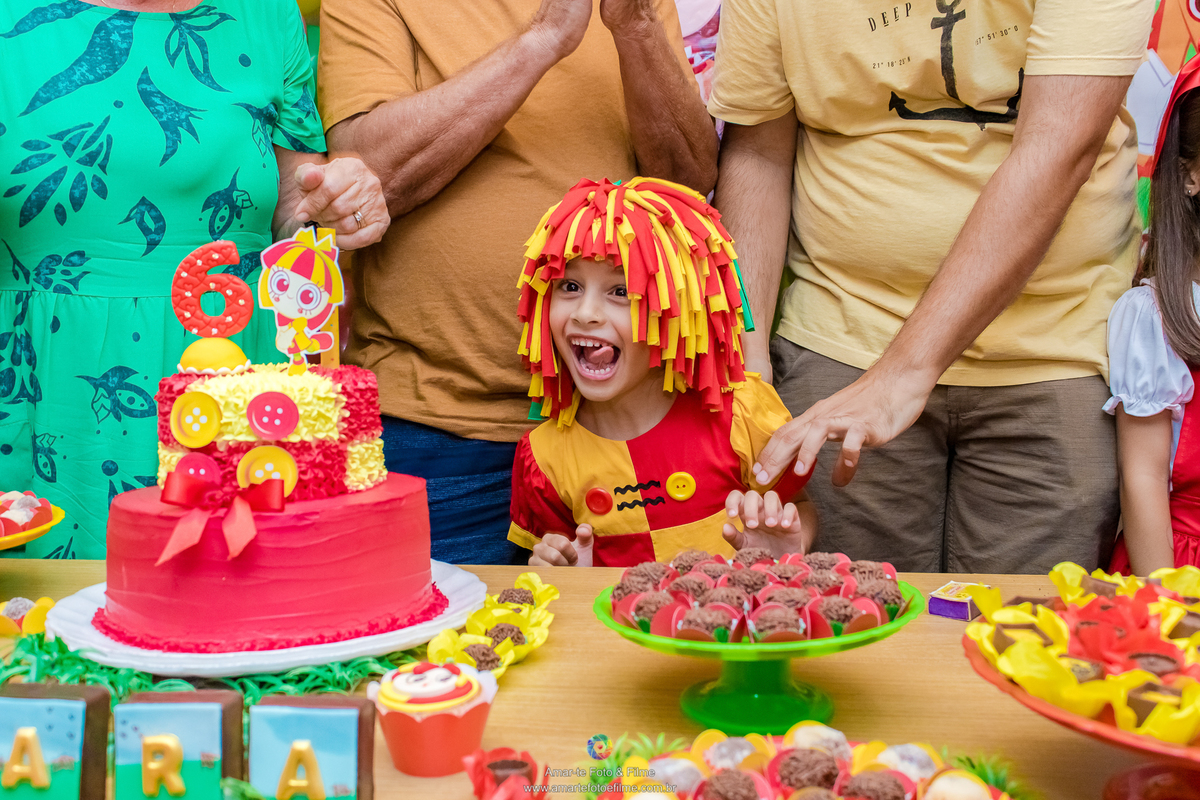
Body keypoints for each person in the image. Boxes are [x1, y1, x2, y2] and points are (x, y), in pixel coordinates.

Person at [707, 0, 1154, 572]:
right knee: (845, 614)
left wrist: (901, 373)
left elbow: (1060, 147)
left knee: (1031, 619)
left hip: (1055, 345)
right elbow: (759, 151)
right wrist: (747, 371)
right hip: (841, 337)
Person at [317, 0, 718, 564]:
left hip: (624, 425)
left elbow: (686, 189)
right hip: (441, 429)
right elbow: (368, 182)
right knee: (434, 622)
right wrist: (545, 37)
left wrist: (635, 25)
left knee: (630, 622)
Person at [0, 0, 389, 559]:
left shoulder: (270, 15)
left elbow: (292, 202)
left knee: (232, 596)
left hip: (229, 380)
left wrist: (341, 194)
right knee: (46, 603)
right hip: (50, 385)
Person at [506, 178, 816, 568]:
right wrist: (558, 570)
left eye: (621, 291)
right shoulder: (544, 456)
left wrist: (787, 547)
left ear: (680, 310)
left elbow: (799, 506)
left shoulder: (742, 415)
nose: (585, 313)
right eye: (569, 285)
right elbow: (556, 561)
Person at [1106, 58, 1200, 576]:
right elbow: (1141, 481)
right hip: (1182, 574)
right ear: (1190, 175)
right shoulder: (1158, 317)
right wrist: (1168, 609)